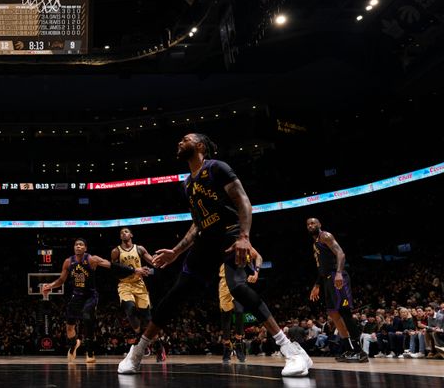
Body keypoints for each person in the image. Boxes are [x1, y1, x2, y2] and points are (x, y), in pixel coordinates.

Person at [118, 133, 313, 376]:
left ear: (200, 146)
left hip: (230, 234)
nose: (179, 142)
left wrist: (244, 237)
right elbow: (198, 223)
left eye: (185, 139)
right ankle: (138, 352)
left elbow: (243, 200)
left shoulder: (217, 168)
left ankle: (291, 350)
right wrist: (176, 251)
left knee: (237, 286)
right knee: (176, 294)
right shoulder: (187, 184)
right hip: (206, 241)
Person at [42, 238, 149, 363]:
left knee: (88, 318)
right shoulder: (68, 262)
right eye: (76, 244)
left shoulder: (92, 259)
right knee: (69, 327)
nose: (78, 246)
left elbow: (113, 266)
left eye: (81, 245)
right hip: (76, 296)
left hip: (90, 296)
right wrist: (50, 286)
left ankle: (90, 352)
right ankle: (74, 344)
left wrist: (134, 270)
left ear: (85, 248)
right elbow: (61, 280)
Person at [306, 217, 368, 362]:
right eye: (308, 224)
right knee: (334, 315)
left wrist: (339, 273)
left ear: (319, 224)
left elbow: (340, 253)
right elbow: (322, 267)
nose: (310, 225)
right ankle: (349, 349)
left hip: (336, 277)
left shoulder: (325, 236)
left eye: (313, 223)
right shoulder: (315, 243)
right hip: (326, 279)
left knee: (345, 313)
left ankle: (360, 352)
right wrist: (317, 284)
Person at [110, 228, 165, 361]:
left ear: (131, 235)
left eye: (126, 231)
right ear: (120, 237)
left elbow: (154, 263)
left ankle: (159, 346)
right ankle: (142, 340)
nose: (124, 233)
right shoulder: (116, 251)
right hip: (125, 285)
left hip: (139, 286)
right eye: (121, 232)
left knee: (148, 319)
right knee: (129, 308)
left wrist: (151, 269)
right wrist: (134, 271)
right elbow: (115, 270)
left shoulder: (139, 249)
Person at [219, 244, 262, 363]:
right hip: (225, 283)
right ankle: (227, 346)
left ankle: (239, 344)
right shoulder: (225, 243)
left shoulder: (246, 245)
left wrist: (256, 272)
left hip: (239, 282)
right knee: (226, 316)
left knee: (239, 311)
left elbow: (259, 257)